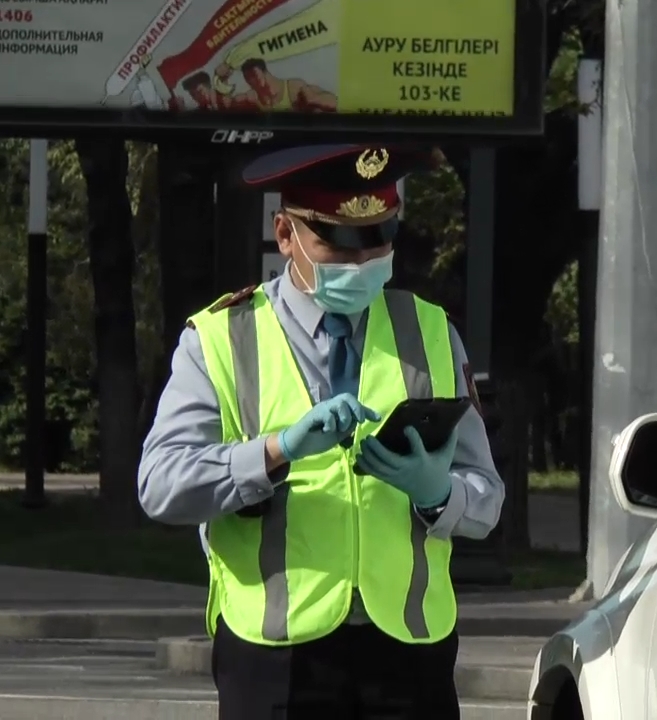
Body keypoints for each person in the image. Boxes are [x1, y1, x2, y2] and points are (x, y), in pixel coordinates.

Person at [137, 144, 504, 719]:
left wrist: (439, 495)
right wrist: (274, 452)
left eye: (378, 240)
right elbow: (160, 485)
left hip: (409, 653)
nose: (361, 262)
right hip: (277, 657)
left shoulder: (430, 331)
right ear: (286, 234)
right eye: (339, 244)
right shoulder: (221, 338)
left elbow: (486, 499)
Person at [215, 57, 338, 112]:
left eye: (254, 74)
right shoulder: (251, 97)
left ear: (264, 71)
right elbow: (225, 105)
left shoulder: (293, 87)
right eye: (247, 78)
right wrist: (221, 80)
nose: (252, 80)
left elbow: (334, 102)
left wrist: (314, 99)